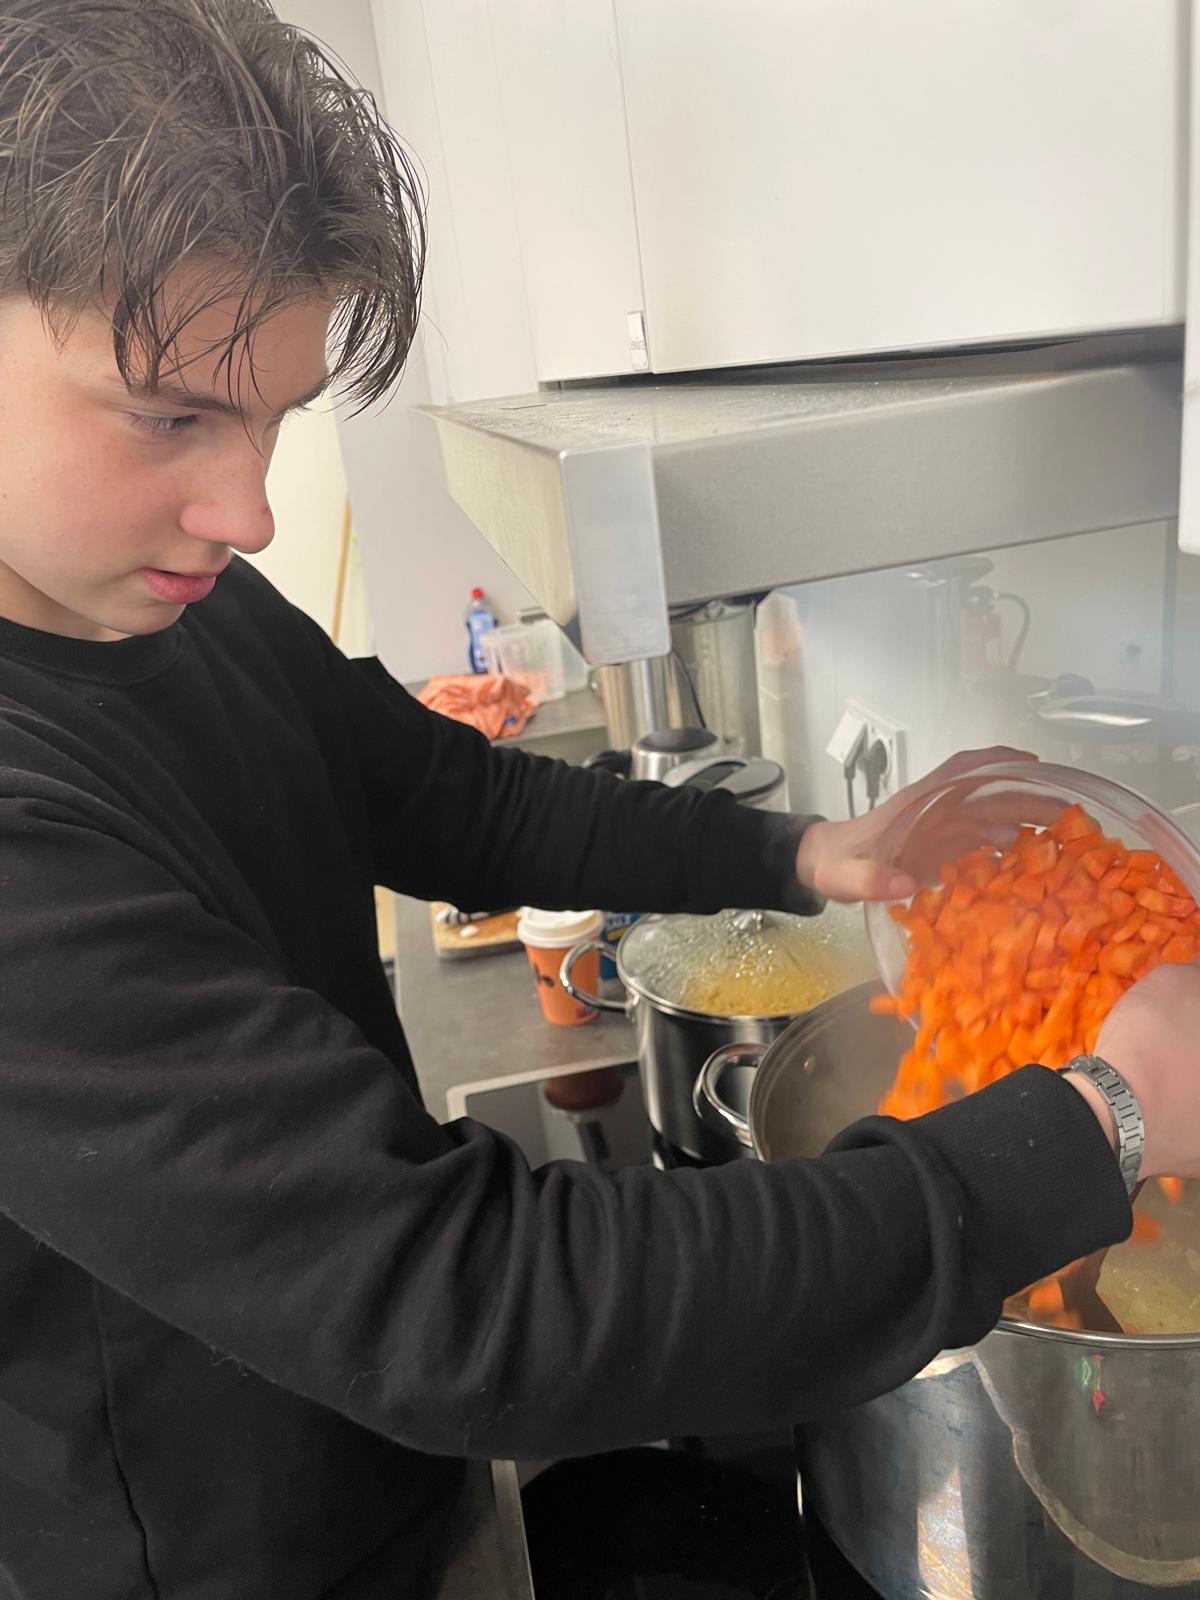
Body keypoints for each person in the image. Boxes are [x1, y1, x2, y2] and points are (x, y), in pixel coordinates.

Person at [0, 3, 1197, 1598]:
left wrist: (807, 852)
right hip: (225, 1557)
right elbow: (469, 1302)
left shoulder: (176, 603)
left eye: (274, 420)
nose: (250, 510)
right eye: (170, 414)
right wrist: (1107, 1120)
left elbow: (448, 798)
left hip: (382, 1462)